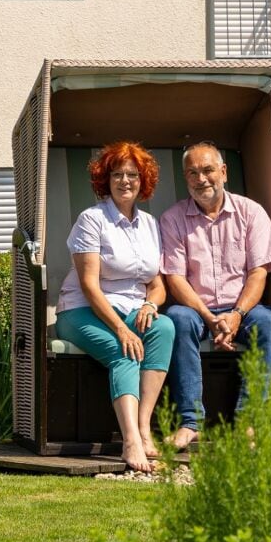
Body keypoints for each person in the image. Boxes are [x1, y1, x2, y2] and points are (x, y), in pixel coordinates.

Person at [54, 141, 175, 472]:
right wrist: (121, 328)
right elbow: (89, 286)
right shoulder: (91, 220)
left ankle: (145, 427)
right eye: (117, 174)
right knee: (125, 352)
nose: (125, 181)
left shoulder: (150, 224)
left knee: (165, 327)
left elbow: (157, 283)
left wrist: (151, 304)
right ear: (104, 180)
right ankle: (131, 441)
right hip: (81, 311)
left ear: (142, 180)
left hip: (132, 308)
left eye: (132, 174)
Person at [160, 140, 271, 450]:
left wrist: (237, 315)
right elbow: (174, 279)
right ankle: (191, 422)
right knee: (177, 320)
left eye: (207, 170)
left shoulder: (251, 213)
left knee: (267, 323)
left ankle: (249, 421)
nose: (201, 179)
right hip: (195, 308)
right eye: (192, 173)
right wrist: (209, 317)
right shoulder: (172, 219)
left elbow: (258, 273)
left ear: (223, 172)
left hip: (243, 306)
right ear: (185, 178)